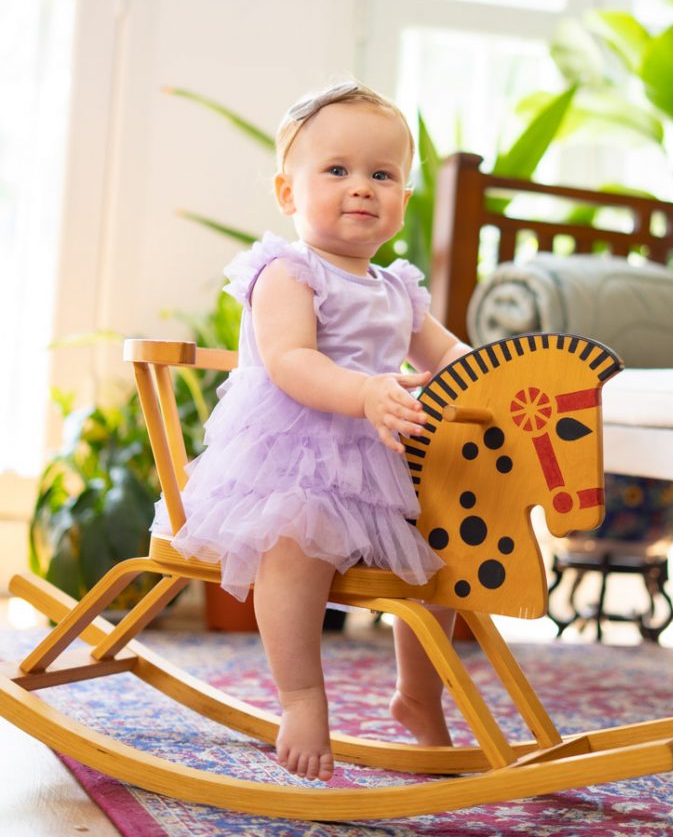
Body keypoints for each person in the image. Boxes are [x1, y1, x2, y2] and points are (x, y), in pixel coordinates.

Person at [154, 80, 470, 782]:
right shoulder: (286, 273)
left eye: (381, 174)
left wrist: (499, 377)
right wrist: (364, 391)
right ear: (287, 192)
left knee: (443, 558)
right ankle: (300, 697)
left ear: (403, 199)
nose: (361, 188)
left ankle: (420, 696)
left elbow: (449, 357)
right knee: (296, 541)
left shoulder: (399, 291)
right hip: (290, 458)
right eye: (337, 170)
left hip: (377, 466)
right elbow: (292, 361)